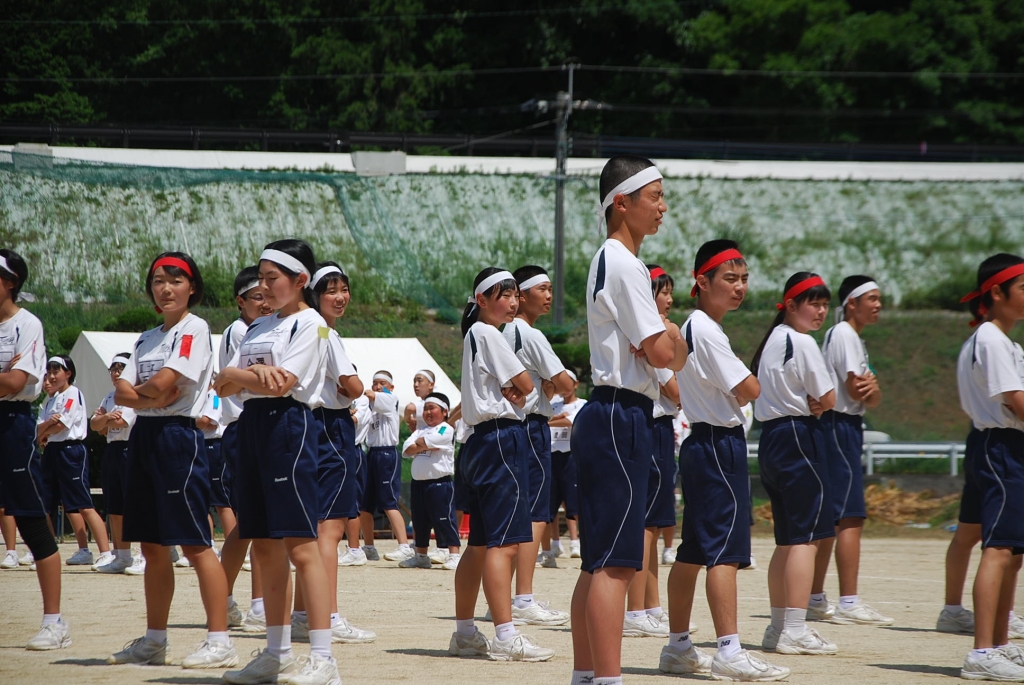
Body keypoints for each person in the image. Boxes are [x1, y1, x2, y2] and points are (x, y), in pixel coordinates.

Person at [570, 156, 687, 685]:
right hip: (623, 414)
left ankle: (586, 675)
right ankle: (608, 680)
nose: (663, 207)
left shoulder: (608, 259)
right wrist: (674, 335)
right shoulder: (624, 264)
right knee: (616, 564)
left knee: (598, 562)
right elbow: (663, 353)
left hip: (609, 411)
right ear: (622, 202)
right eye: (655, 196)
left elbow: (655, 350)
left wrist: (662, 341)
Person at [660, 239, 790, 681]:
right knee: (725, 554)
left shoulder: (696, 326)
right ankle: (729, 651)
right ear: (702, 281)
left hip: (703, 442)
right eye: (730, 278)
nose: (739, 287)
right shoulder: (707, 330)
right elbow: (750, 389)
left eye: (744, 279)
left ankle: (678, 646)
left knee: (694, 551)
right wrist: (744, 375)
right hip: (719, 445)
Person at [215, 239, 341, 685]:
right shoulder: (258, 326)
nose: (264, 287)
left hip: (289, 427)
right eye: (261, 279)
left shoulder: (311, 324)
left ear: (300, 280)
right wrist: (245, 375)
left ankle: (323, 658)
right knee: (265, 545)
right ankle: (277, 652)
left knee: (301, 545)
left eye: (272, 279)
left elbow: (283, 384)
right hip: (251, 427)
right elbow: (222, 386)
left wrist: (242, 377)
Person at [108, 251, 237, 670]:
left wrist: (145, 392)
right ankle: (154, 640)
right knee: (150, 545)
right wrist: (151, 396)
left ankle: (220, 639)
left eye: (175, 280)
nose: (165, 288)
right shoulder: (146, 338)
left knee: (195, 543)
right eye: (158, 281)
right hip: (144, 436)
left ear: (192, 287)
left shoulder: (193, 328)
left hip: (179, 436)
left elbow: (167, 382)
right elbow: (124, 390)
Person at [448, 266, 552, 662]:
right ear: (481, 300)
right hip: (500, 440)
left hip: (479, 442)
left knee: (478, 544)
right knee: (504, 544)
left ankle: (465, 633)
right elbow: (525, 385)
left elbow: (517, 387)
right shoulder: (489, 333)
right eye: (503, 295)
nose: (511, 302)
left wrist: (517, 388)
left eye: (513, 295)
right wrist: (520, 388)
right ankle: (506, 636)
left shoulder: (476, 333)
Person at [751, 272, 839, 656]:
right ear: (790, 305)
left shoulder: (773, 338)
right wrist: (817, 401)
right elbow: (829, 398)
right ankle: (795, 630)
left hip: (771, 437)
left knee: (787, 540)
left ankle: (778, 627)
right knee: (806, 538)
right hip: (799, 436)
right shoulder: (802, 341)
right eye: (813, 303)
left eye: (824, 304)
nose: (820, 311)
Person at [291, 261, 376, 645]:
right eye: (331, 290)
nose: (340, 297)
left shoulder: (300, 328)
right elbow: (353, 386)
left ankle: (303, 614)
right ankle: (327, 615)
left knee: (312, 528)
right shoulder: (325, 332)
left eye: (344, 289)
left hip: (308, 426)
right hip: (331, 428)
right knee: (330, 529)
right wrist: (358, 388)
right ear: (314, 294)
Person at [954, 253, 1024, 681]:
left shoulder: (1003, 342)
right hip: (1001, 447)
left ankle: (998, 643)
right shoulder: (991, 339)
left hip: (998, 445)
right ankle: (982, 651)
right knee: (998, 549)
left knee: (1012, 551)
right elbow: (1016, 401)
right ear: (996, 293)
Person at [811, 275, 891, 626]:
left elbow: (873, 396)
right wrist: (870, 388)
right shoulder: (844, 334)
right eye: (871, 298)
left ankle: (816, 597)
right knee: (849, 515)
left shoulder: (849, 336)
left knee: (833, 517)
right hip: (839, 426)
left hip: (842, 425)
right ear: (852, 303)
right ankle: (848, 600)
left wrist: (871, 390)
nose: (878, 305)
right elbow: (861, 391)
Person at [0, 249, 70, 650]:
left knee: (32, 523)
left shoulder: (27, 324)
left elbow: (15, 383)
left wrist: (9, 376)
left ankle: (54, 622)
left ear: (11, 283)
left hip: (13, 425)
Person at [502, 265, 574, 624]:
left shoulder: (499, 331)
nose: (548, 295)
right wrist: (551, 384)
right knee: (536, 514)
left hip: (508, 427)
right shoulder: (530, 334)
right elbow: (567, 385)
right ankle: (523, 598)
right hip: (531, 427)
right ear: (522, 294)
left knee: (513, 513)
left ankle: (504, 599)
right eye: (542, 289)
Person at [623, 264, 681, 639]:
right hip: (654, 425)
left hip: (659, 428)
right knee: (646, 526)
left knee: (655, 526)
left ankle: (651, 606)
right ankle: (636, 610)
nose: (669, 299)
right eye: (663, 292)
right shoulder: (651, 334)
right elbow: (675, 390)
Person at [216, 265, 270, 633]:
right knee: (254, 523)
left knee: (254, 524)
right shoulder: (243, 331)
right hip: (245, 426)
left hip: (246, 427)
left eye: (269, 295)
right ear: (241, 301)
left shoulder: (246, 329)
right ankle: (251, 604)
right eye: (257, 297)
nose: (265, 303)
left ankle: (232, 600)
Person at [37, 354, 113, 568]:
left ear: (68, 373)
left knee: (83, 504)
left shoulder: (73, 393)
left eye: (56, 371)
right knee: (50, 504)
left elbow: (62, 424)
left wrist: (46, 429)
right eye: (49, 372)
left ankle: (105, 552)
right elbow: (38, 430)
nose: (51, 376)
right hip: (52, 451)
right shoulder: (49, 400)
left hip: (71, 451)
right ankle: (53, 552)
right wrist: (46, 428)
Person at [400, 391, 461, 570]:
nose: (427, 412)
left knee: (444, 519)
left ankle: (454, 554)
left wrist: (419, 444)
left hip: (439, 483)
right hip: (418, 483)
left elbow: (428, 441)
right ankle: (421, 556)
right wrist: (424, 444)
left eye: (432, 408)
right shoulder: (420, 430)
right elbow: (406, 449)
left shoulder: (445, 428)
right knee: (420, 520)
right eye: (425, 408)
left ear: (444, 411)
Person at [358, 369, 413, 562]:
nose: (378, 386)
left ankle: (404, 546)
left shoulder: (391, 399)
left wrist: (365, 392)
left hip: (387, 453)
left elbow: (370, 394)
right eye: (375, 383)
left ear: (391, 386)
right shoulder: (370, 405)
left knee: (389, 501)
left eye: (382, 383)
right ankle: (369, 547)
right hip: (372, 453)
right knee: (365, 505)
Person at [91, 352, 137, 574]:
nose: (116, 373)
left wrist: (104, 419)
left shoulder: (133, 395)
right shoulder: (109, 397)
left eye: (121, 369)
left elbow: (122, 421)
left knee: (133, 504)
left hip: (130, 449)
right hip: (113, 449)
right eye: (113, 369)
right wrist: (107, 418)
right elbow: (95, 426)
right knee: (115, 506)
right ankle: (122, 556)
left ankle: (143, 554)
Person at [543, 368, 584, 562]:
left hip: (571, 456)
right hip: (552, 455)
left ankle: (576, 542)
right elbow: (546, 418)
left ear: (575, 384)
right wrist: (555, 418)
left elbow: (570, 422)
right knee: (550, 503)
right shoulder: (552, 404)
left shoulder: (582, 404)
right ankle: (555, 545)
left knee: (572, 502)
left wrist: (551, 421)